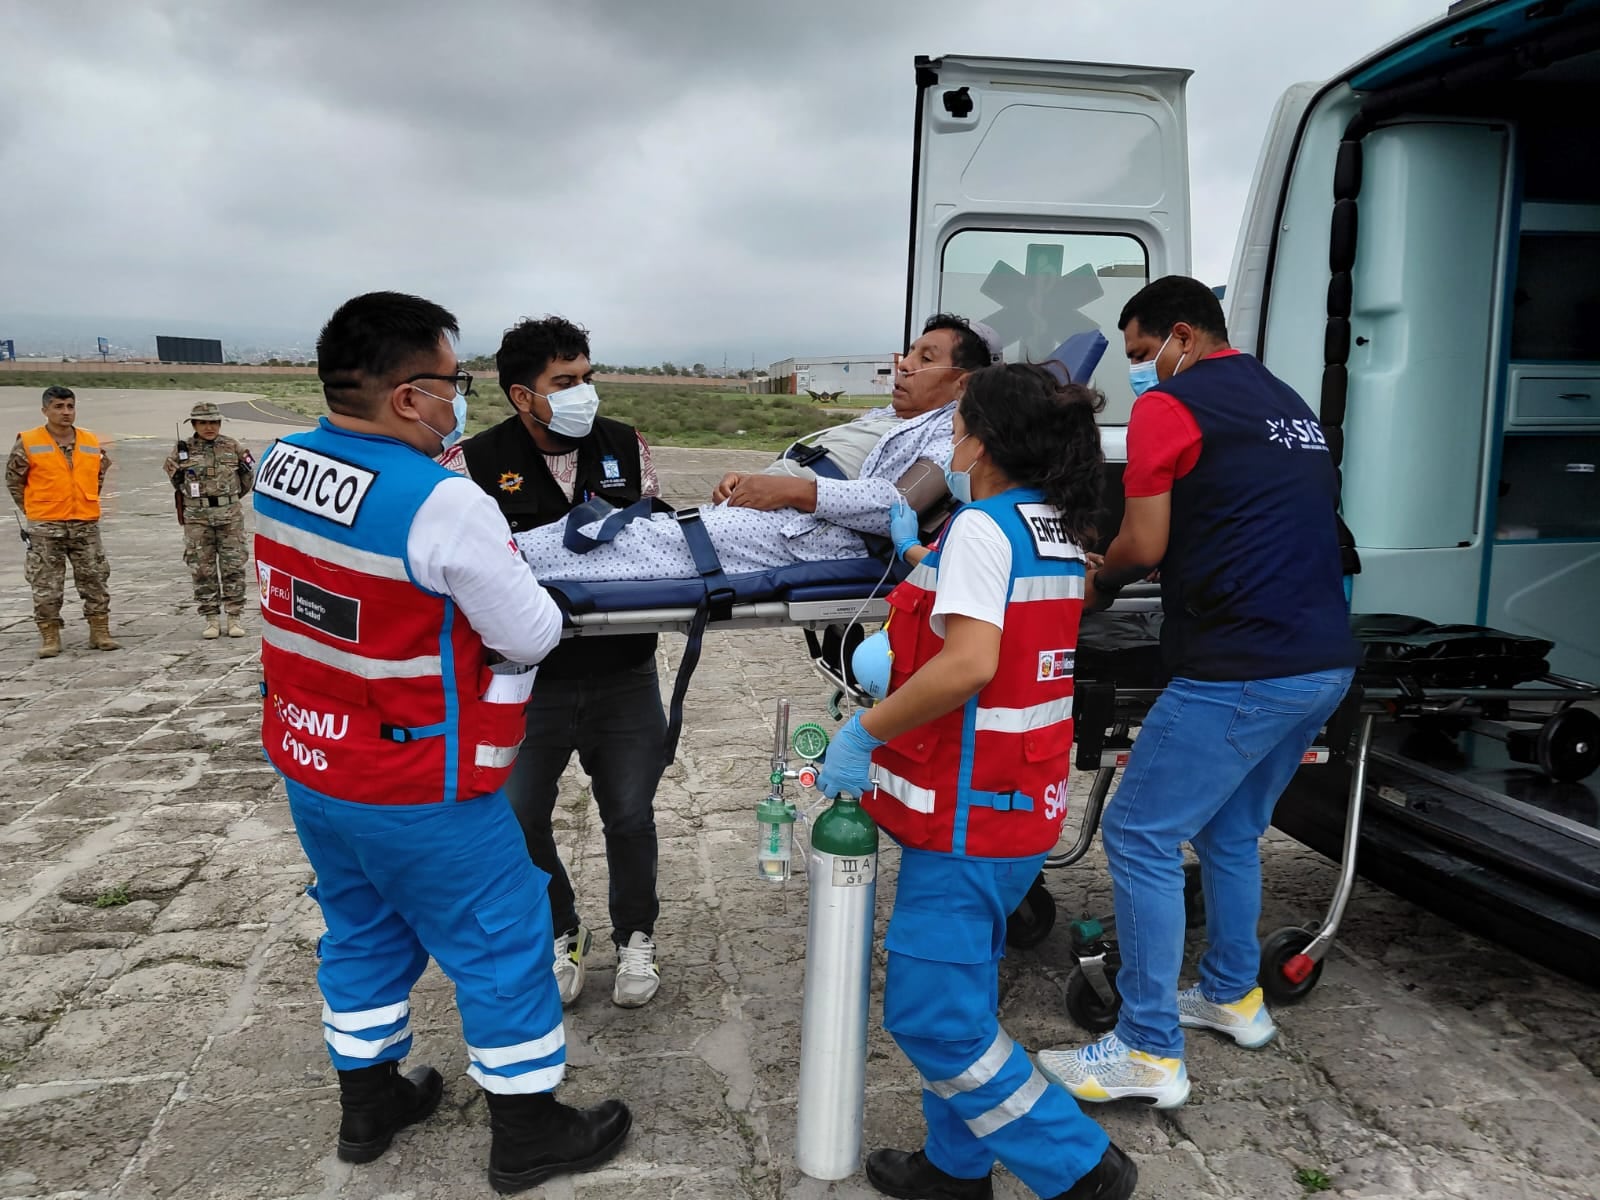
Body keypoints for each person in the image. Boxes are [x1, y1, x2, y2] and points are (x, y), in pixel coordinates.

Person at [251, 291, 629, 1195]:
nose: (459, 400)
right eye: (453, 381)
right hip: (420, 778)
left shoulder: (280, 463)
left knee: (362, 929)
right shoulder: (441, 501)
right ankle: (529, 1131)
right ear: (412, 395)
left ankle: (369, 1103)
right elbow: (531, 632)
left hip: (314, 762)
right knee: (503, 940)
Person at [815, 363, 1137, 1200]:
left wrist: (863, 731)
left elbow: (968, 664)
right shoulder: (1051, 526)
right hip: (1018, 805)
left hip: (966, 817)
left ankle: (1079, 1165)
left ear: (986, 441)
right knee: (961, 998)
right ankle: (954, 1173)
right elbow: (999, 611)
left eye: (958, 428)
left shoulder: (985, 529)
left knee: (933, 1020)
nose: (950, 443)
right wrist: (915, 552)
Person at [1037, 275, 1359, 1110]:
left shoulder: (1168, 408)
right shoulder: (1283, 401)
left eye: (1142, 353)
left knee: (1140, 831)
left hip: (1242, 665)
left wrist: (1092, 585)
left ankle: (1146, 1050)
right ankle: (1231, 996)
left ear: (1181, 334)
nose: (1142, 371)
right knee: (1231, 830)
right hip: (1322, 659)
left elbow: (1143, 540)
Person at [441, 315, 669, 1009]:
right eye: (563, 383)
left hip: (624, 675)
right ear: (521, 396)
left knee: (630, 814)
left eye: (587, 378)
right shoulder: (470, 465)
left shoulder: (627, 446)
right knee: (520, 816)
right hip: (524, 682)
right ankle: (560, 928)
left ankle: (637, 935)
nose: (582, 393)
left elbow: (658, 540)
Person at [511, 314, 1005, 582]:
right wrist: (761, 485)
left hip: (814, 538)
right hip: (792, 523)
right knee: (645, 533)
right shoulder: (890, 421)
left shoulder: (953, 436)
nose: (904, 366)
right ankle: (509, 556)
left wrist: (790, 492)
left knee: (641, 542)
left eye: (925, 358)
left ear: (963, 382)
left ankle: (507, 561)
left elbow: (895, 507)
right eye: (909, 353)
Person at [6, 385, 120, 657]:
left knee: (95, 578)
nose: (65, 412)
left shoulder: (90, 441)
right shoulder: (29, 441)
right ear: (45, 410)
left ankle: (100, 631)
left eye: (70, 406)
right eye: (58, 407)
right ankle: (50, 636)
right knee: (46, 584)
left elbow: (98, 475)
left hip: (85, 522)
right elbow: (14, 480)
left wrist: (86, 500)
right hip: (46, 526)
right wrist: (34, 509)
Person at [164, 400, 256, 639]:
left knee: (233, 565)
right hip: (197, 517)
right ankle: (211, 618)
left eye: (214, 422)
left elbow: (246, 479)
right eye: (203, 423)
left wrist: (226, 500)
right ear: (194, 424)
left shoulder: (232, 447)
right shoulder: (182, 449)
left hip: (229, 517)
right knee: (201, 567)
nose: (209, 427)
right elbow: (176, 480)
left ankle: (234, 616)